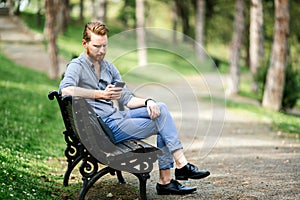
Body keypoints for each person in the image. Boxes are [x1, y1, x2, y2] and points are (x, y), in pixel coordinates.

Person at [59, 21, 210, 195]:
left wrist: (147, 102)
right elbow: (65, 89)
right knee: (164, 124)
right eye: (96, 46)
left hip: (118, 117)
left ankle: (178, 169)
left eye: (104, 46)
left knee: (160, 108)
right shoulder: (77, 66)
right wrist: (100, 94)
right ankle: (171, 176)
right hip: (105, 129)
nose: (101, 51)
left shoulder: (109, 67)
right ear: (84, 44)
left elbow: (127, 99)